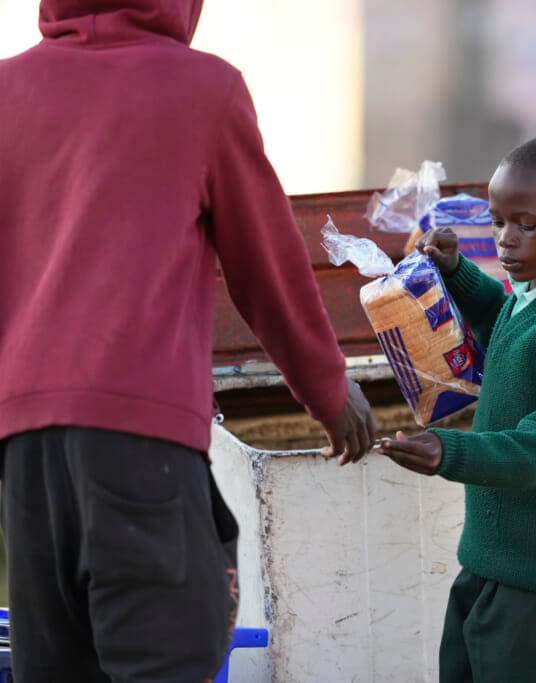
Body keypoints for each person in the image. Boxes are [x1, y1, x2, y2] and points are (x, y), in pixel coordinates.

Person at [0, 0, 375, 679]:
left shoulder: (7, 91)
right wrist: (328, 389)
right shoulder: (204, 90)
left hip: (25, 448)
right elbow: (267, 268)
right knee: (168, 653)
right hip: (139, 438)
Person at [379, 135, 536, 682]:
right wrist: (456, 273)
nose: (506, 241)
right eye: (497, 222)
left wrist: (451, 451)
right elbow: (506, 328)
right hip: (490, 565)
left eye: (527, 225)